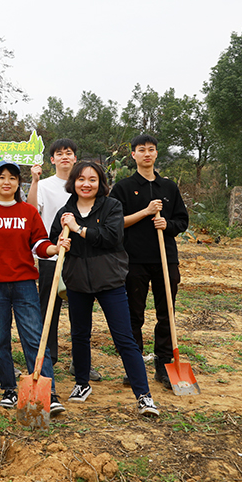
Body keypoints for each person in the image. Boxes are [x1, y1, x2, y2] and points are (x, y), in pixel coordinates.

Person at [49, 161, 160, 416]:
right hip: (77, 281)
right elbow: (56, 237)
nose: (86, 184)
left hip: (109, 280)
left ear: (100, 183)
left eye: (92, 180)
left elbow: (112, 237)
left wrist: (79, 229)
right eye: (80, 179)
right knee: (79, 334)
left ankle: (143, 395)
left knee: (124, 338)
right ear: (73, 182)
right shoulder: (65, 211)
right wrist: (60, 240)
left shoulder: (112, 207)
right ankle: (82, 384)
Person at [0, 160, 66, 416]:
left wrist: (54, 249)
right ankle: (9, 388)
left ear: (18, 183)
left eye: (12, 178)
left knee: (33, 337)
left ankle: (48, 392)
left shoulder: (28, 212)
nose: (6, 182)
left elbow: (39, 244)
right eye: (1, 177)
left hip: (24, 284)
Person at [110, 134, 189, 389]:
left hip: (166, 259)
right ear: (133, 155)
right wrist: (144, 212)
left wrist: (167, 224)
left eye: (151, 149)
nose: (146, 153)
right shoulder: (123, 187)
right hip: (133, 260)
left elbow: (182, 221)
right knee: (134, 314)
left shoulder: (169, 188)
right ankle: (134, 367)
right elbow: (115, 223)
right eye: (141, 150)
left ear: (156, 154)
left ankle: (164, 365)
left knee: (166, 313)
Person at [27, 139, 102, 381]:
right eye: (59, 154)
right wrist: (35, 181)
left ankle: (80, 362)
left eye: (69, 153)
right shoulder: (45, 185)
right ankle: (48, 359)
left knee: (80, 312)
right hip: (52, 257)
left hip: (82, 259)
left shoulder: (85, 185)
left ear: (75, 158)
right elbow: (30, 209)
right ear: (52, 160)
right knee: (48, 309)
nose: (64, 157)